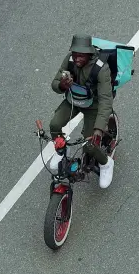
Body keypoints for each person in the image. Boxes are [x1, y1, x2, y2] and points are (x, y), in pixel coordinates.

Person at [50, 34, 115, 188]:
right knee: (54, 125)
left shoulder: (101, 68)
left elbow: (106, 100)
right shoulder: (70, 60)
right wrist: (62, 86)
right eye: (74, 54)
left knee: (89, 145)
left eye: (81, 56)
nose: (77, 58)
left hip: (94, 106)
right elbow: (54, 83)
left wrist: (99, 128)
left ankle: (106, 163)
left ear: (89, 54)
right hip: (74, 100)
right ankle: (61, 151)